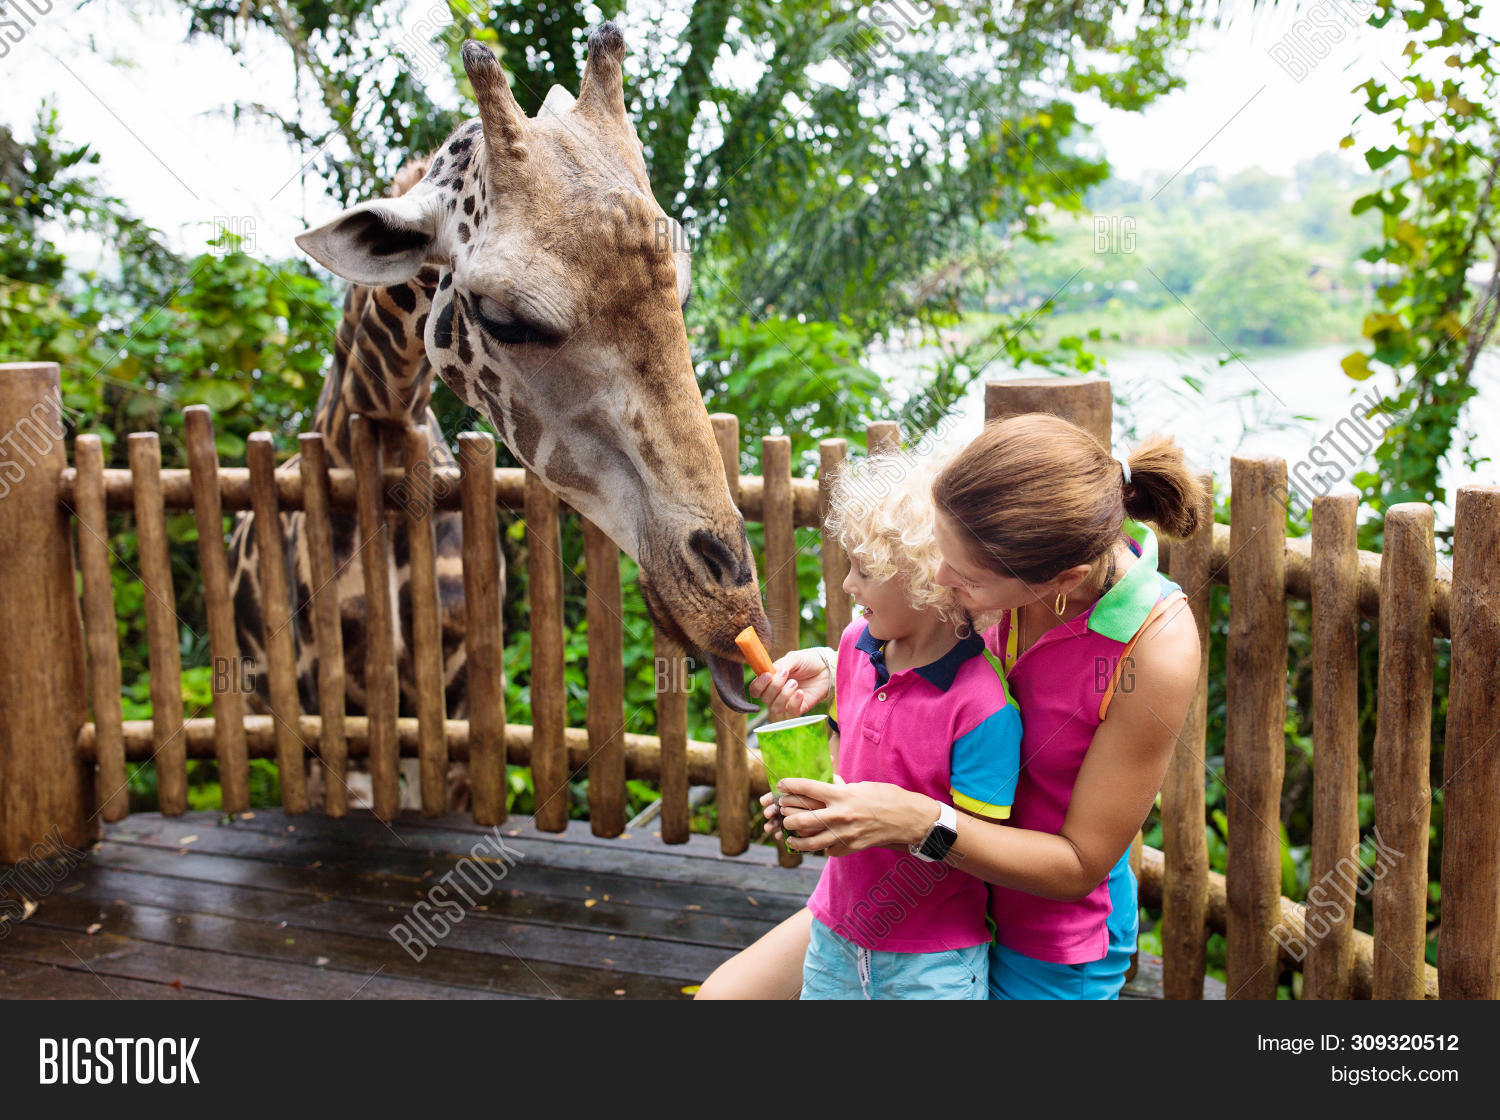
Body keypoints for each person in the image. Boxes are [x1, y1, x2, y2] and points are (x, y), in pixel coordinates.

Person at [696, 414, 1204, 1000]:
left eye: (963, 578)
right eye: (939, 555)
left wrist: (915, 822)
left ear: (1065, 578)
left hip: (1042, 931)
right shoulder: (993, 544)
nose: (937, 579)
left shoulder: (1154, 648)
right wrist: (841, 666)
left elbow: (1078, 864)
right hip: (920, 895)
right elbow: (935, 638)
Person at [792, 454, 1022, 999]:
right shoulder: (853, 648)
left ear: (926, 581)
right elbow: (843, 754)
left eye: (864, 571)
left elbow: (979, 846)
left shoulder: (983, 709)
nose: (847, 584)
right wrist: (811, 808)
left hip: (932, 961)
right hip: (834, 935)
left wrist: (899, 825)